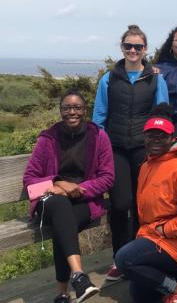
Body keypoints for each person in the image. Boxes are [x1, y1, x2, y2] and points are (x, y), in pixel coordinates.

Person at [114, 103, 177, 303]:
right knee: (141, 294)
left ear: (171, 138)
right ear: (144, 138)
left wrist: (166, 229)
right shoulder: (147, 165)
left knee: (125, 259)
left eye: (162, 136)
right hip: (157, 239)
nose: (156, 140)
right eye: (151, 135)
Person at [92, 25, 169, 280]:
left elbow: (162, 114)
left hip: (144, 149)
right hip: (115, 148)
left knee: (143, 206)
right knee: (120, 204)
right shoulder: (108, 78)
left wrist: (161, 149)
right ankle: (119, 258)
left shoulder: (156, 78)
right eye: (128, 46)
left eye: (138, 46)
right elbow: (99, 117)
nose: (133, 50)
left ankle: (138, 256)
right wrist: (99, 148)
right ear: (122, 48)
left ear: (145, 49)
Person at [23, 89, 115, 303]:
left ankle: (62, 294)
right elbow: (29, 179)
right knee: (60, 207)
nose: (72, 112)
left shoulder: (99, 136)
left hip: (83, 200)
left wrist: (76, 189)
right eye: (67, 108)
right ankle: (79, 277)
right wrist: (58, 183)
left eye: (77, 107)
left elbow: (107, 177)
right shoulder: (48, 139)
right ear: (60, 111)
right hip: (49, 200)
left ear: (85, 110)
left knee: (64, 222)